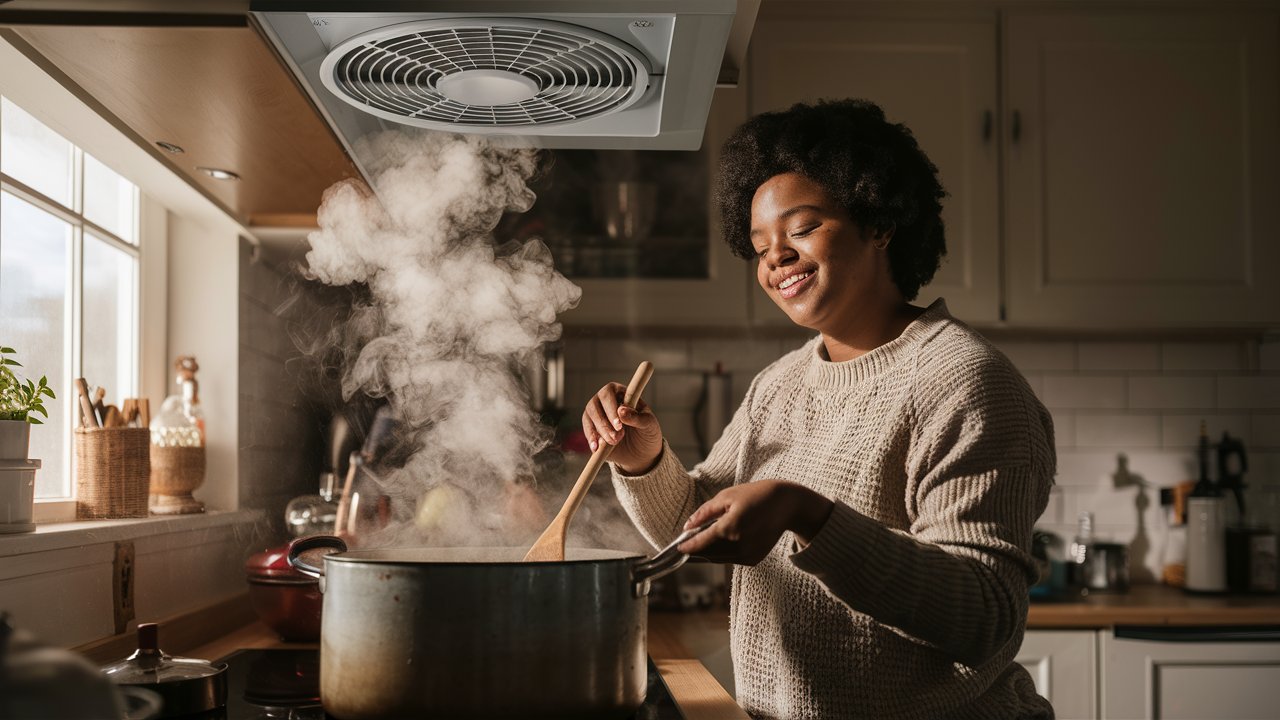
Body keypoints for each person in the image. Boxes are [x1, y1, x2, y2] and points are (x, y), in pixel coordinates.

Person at [581, 99, 1056, 720]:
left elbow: (982, 615)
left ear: (878, 222)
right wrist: (643, 461)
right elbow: (697, 527)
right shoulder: (780, 384)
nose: (775, 257)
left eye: (802, 228)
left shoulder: (968, 382)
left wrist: (805, 514)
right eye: (758, 246)